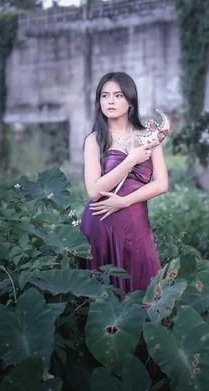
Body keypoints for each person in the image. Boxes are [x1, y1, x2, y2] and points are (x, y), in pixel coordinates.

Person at [79, 72, 168, 294]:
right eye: (104, 95)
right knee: (105, 300)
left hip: (135, 221)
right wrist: (130, 161)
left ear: (130, 101)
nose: (110, 101)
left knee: (145, 287)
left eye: (118, 95)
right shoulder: (95, 139)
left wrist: (124, 201)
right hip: (101, 223)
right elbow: (94, 191)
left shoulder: (149, 138)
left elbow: (161, 184)